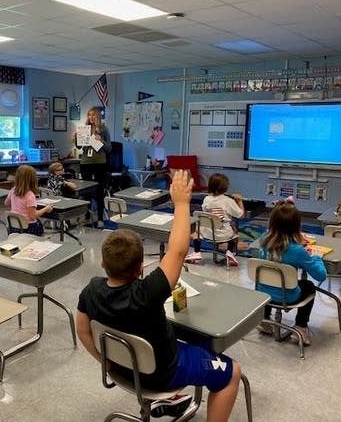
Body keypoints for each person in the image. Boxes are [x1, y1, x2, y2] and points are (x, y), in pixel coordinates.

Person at [76, 171, 242, 422]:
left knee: (196, 344)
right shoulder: (147, 293)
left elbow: (82, 330)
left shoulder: (91, 289)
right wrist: (182, 203)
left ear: (102, 263)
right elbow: (177, 251)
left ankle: (170, 399)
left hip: (123, 367)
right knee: (232, 372)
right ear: (141, 268)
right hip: (163, 372)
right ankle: (169, 393)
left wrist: (105, 363)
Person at [256, 201, 327, 346]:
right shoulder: (298, 251)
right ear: (297, 226)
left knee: (270, 280)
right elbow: (321, 275)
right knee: (308, 285)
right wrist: (316, 258)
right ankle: (300, 326)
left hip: (262, 293)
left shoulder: (263, 240)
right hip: (287, 297)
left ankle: (264, 319)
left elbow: (281, 247)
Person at [185, 173, 245, 267]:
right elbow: (241, 215)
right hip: (223, 235)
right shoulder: (228, 201)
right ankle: (230, 252)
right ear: (225, 187)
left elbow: (205, 213)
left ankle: (196, 252)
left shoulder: (206, 199)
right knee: (234, 232)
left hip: (207, 233)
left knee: (197, 231)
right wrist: (239, 201)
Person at [76, 107, 111, 228]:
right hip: (86, 163)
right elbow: (80, 146)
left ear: (98, 117)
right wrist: (76, 138)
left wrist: (101, 140)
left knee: (99, 190)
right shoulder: (84, 129)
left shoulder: (103, 129)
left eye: (93, 115)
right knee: (86, 191)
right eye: (89, 115)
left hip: (100, 163)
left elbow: (109, 148)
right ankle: (86, 216)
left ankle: (100, 217)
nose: (91, 117)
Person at [4, 165, 52, 236]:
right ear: (33, 179)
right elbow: (33, 216)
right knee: (39, 222)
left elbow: (6, 203)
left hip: (13, 227)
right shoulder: (30, 195)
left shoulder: (13, 190)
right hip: (28, 229)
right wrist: (46, 209)